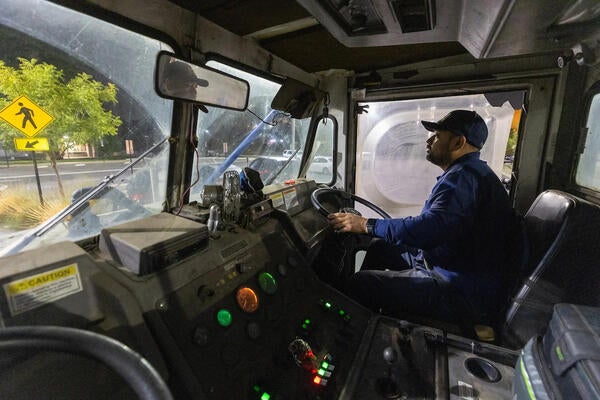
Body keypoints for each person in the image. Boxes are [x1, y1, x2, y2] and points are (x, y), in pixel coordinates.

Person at [327, 110, 524, 330]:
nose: (429, 140)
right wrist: (375, 229)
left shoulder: (464, 178)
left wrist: (365, 224)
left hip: (458, 287)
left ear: (458, 142)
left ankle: (353, 335)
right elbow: (435, 228)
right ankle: (375, 315)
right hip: (453, 264)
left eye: (438, 136)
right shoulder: (471, 172)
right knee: (379, 247)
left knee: (361, 283)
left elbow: (430, 229)